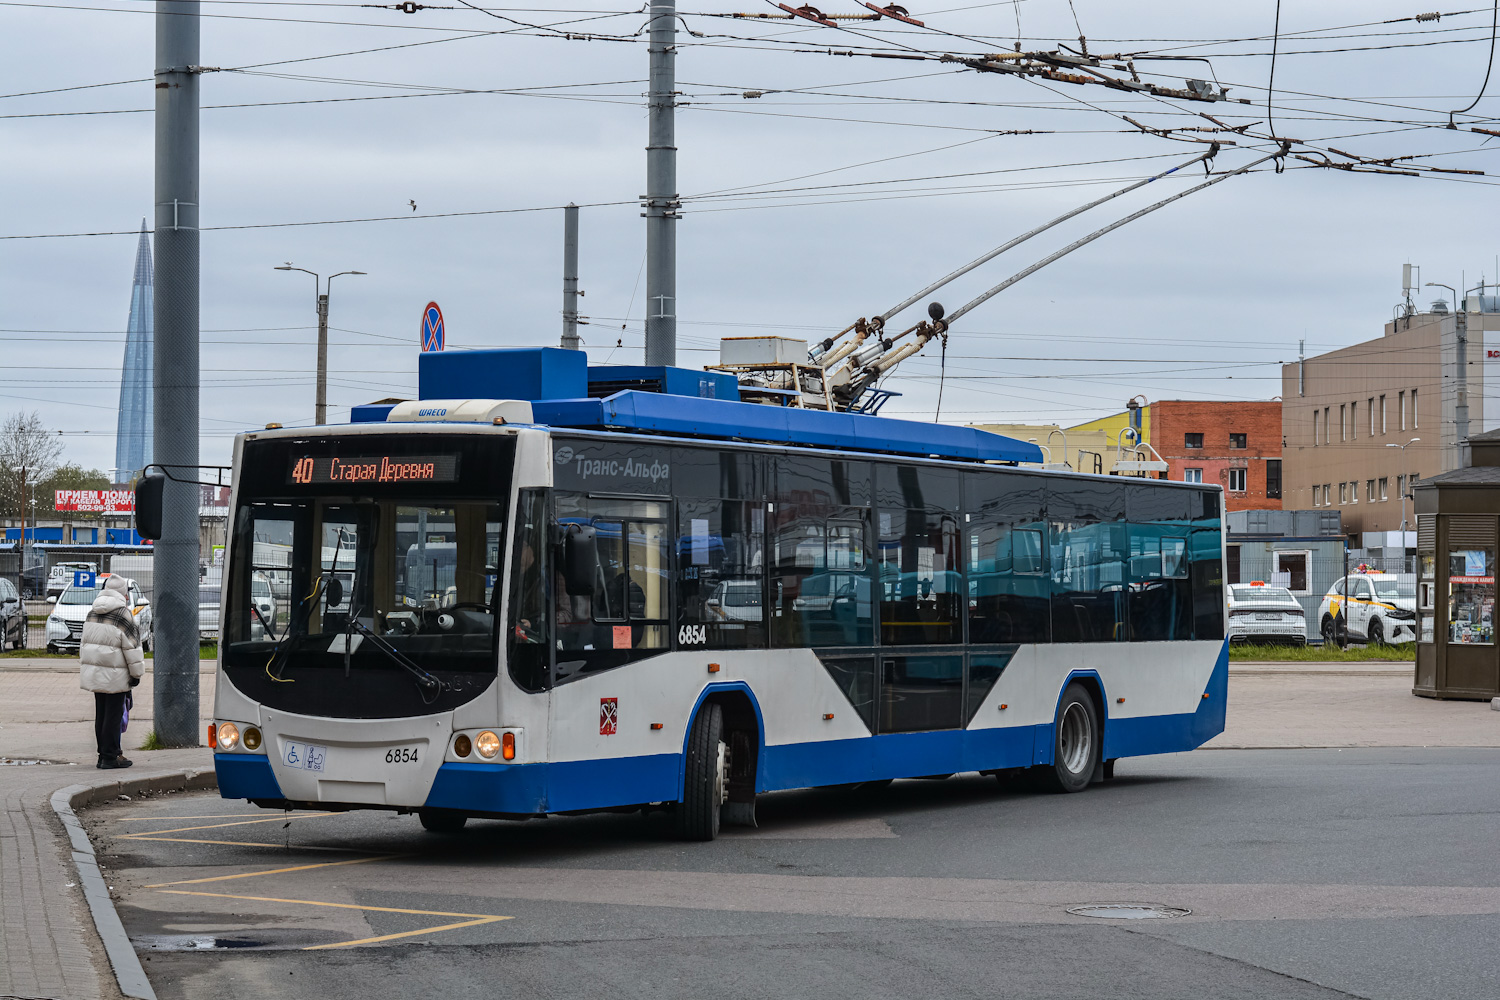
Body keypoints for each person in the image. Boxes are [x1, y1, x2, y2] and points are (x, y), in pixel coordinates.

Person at [79, 576, 144, 769]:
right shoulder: (123, 615)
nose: (127, 596)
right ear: (122, 593)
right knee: (114, 716)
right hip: (116, 675)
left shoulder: (92, 612)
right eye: (126, 593)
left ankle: (102, 755)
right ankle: (110, 757)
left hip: (95, 673)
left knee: (101, 714)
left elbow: (84, 644)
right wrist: (136, 674)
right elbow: (132, 648)